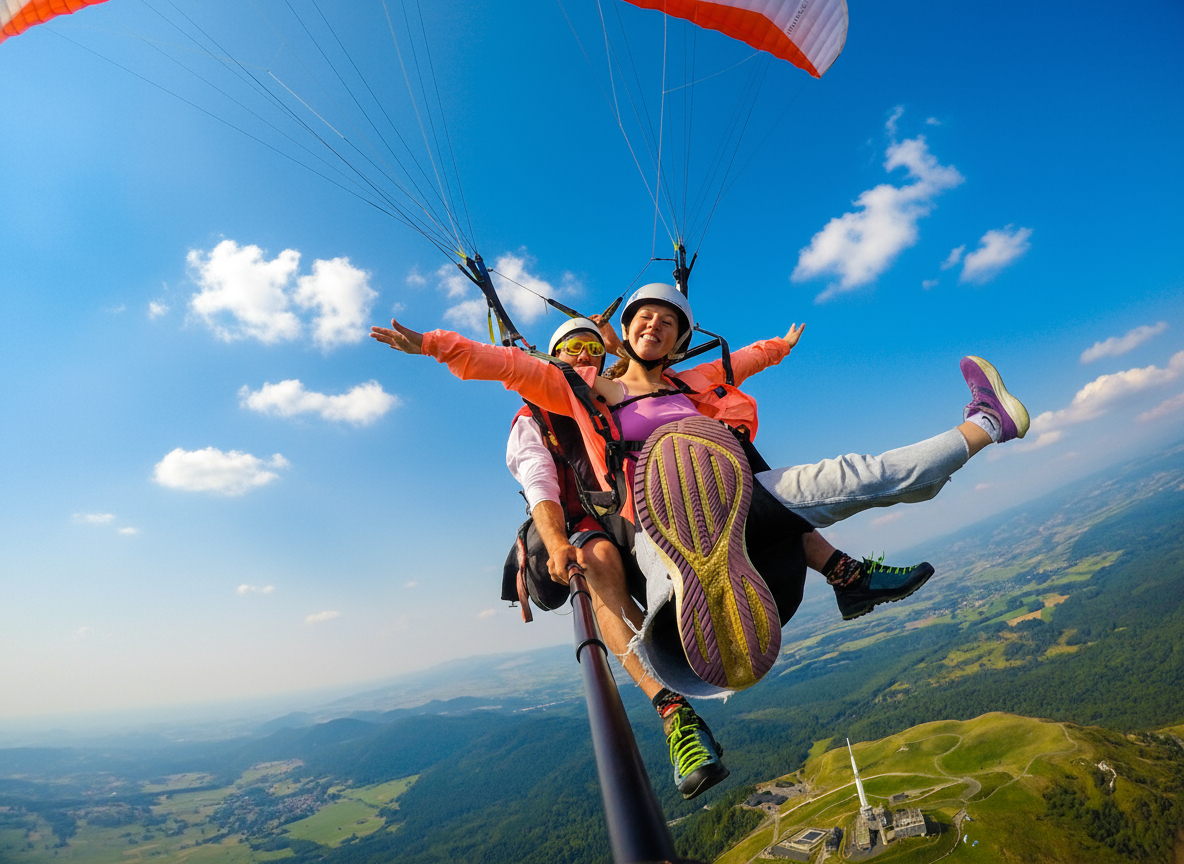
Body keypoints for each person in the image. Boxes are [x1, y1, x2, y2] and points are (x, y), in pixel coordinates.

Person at [370, 284, 1028, 782]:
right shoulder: (586, 392)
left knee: (854, 475)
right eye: (643, 318)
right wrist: (435, 345)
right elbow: (509, 367)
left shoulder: (693, 380)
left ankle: (986, 424)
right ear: (625, 332)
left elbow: (742, 363)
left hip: (733, 494)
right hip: (656, 518)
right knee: (671, 590)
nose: (653, 326)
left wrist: (779, 348)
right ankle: (682, 700)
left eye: (668, 322)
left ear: (681, 340)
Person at [500, 316, 932, 798]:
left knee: (737, 478)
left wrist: (778, 347)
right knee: (598, 559)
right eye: (572, 348)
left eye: (591, 347)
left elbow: (717, 370)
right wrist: (556, 541)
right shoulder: (536, 416)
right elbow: (539, 481)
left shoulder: (613, 392)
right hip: (586, 522)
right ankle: (673, 713)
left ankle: (844, 573)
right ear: (552, 357)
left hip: (641, 504)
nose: (583, 355)